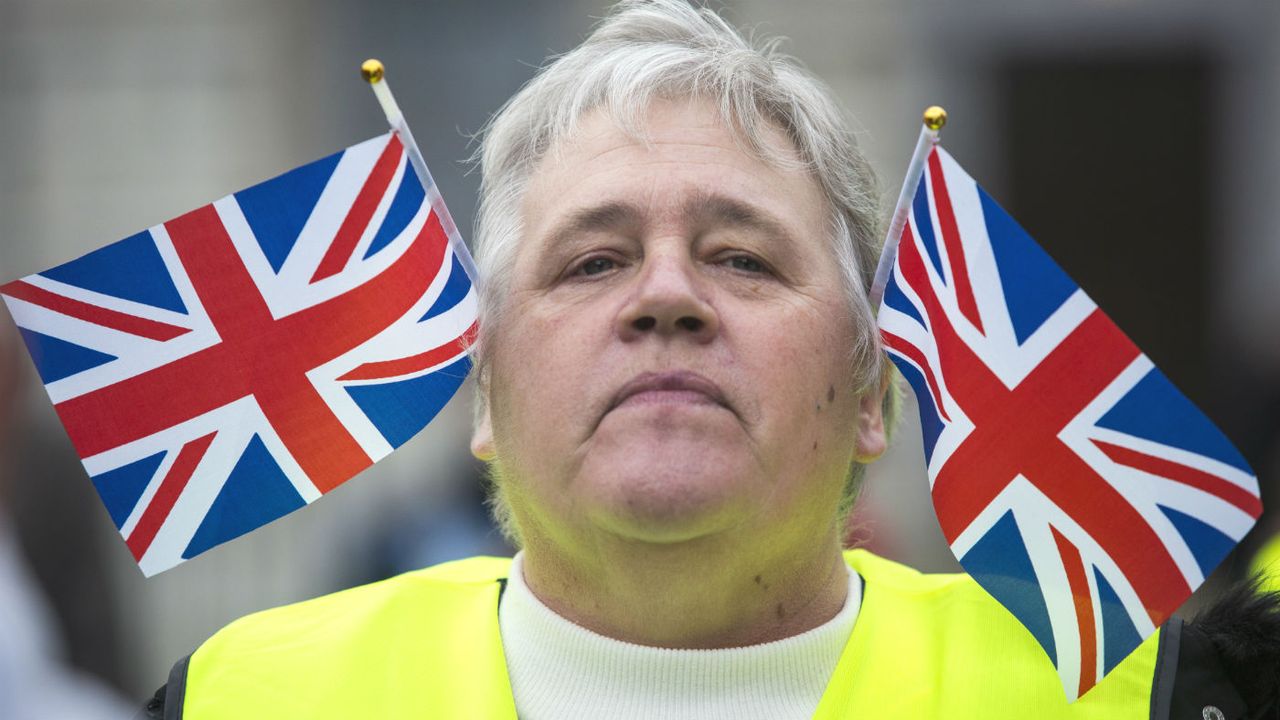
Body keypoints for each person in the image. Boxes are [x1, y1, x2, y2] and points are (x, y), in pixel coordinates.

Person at [142, 1, 1278, 718]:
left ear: (874, 391)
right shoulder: (241, 698)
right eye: (590, 263)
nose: (668, 298)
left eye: (741, 258)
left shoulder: (1140, 702)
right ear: (480, 389)